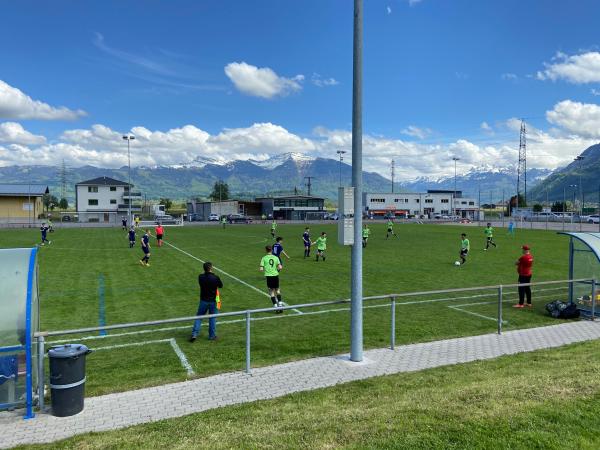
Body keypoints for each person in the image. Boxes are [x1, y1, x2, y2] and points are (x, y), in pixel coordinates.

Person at [190, 262, 223, 342]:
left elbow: (203, 278)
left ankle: (194, 334)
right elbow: (221, 285)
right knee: (212, 318)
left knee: (199, 317)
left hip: (203, 301)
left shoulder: (200, 277)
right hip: (213, 301)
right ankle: (212, 336)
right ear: (211, 268)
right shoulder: (215, 277)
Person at [260, 245, 283, 312]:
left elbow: (261, 269)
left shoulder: (264, 258)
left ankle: (275, 307)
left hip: (269, 276)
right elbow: (280, 267)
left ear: (266, 250)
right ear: (272, 250)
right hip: (275, 275)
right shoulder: (276, 257)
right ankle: (280, 305)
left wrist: (266, 270)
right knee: (277, 290)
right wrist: (277, 270)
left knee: (271, 291)